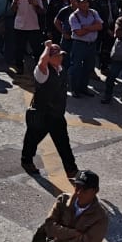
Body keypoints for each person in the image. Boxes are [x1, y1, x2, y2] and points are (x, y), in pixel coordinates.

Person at [20, 42, 78, 177]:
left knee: (63, 143)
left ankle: (72, 170)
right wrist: (47, 47)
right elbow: (42, 62)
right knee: (32, 139)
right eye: (56, 56)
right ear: (49, 57)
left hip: (56, 115)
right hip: (42, 115)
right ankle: (26, 161)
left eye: (60, 55)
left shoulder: (61, 69)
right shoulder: (42, 72)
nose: (60, 58)